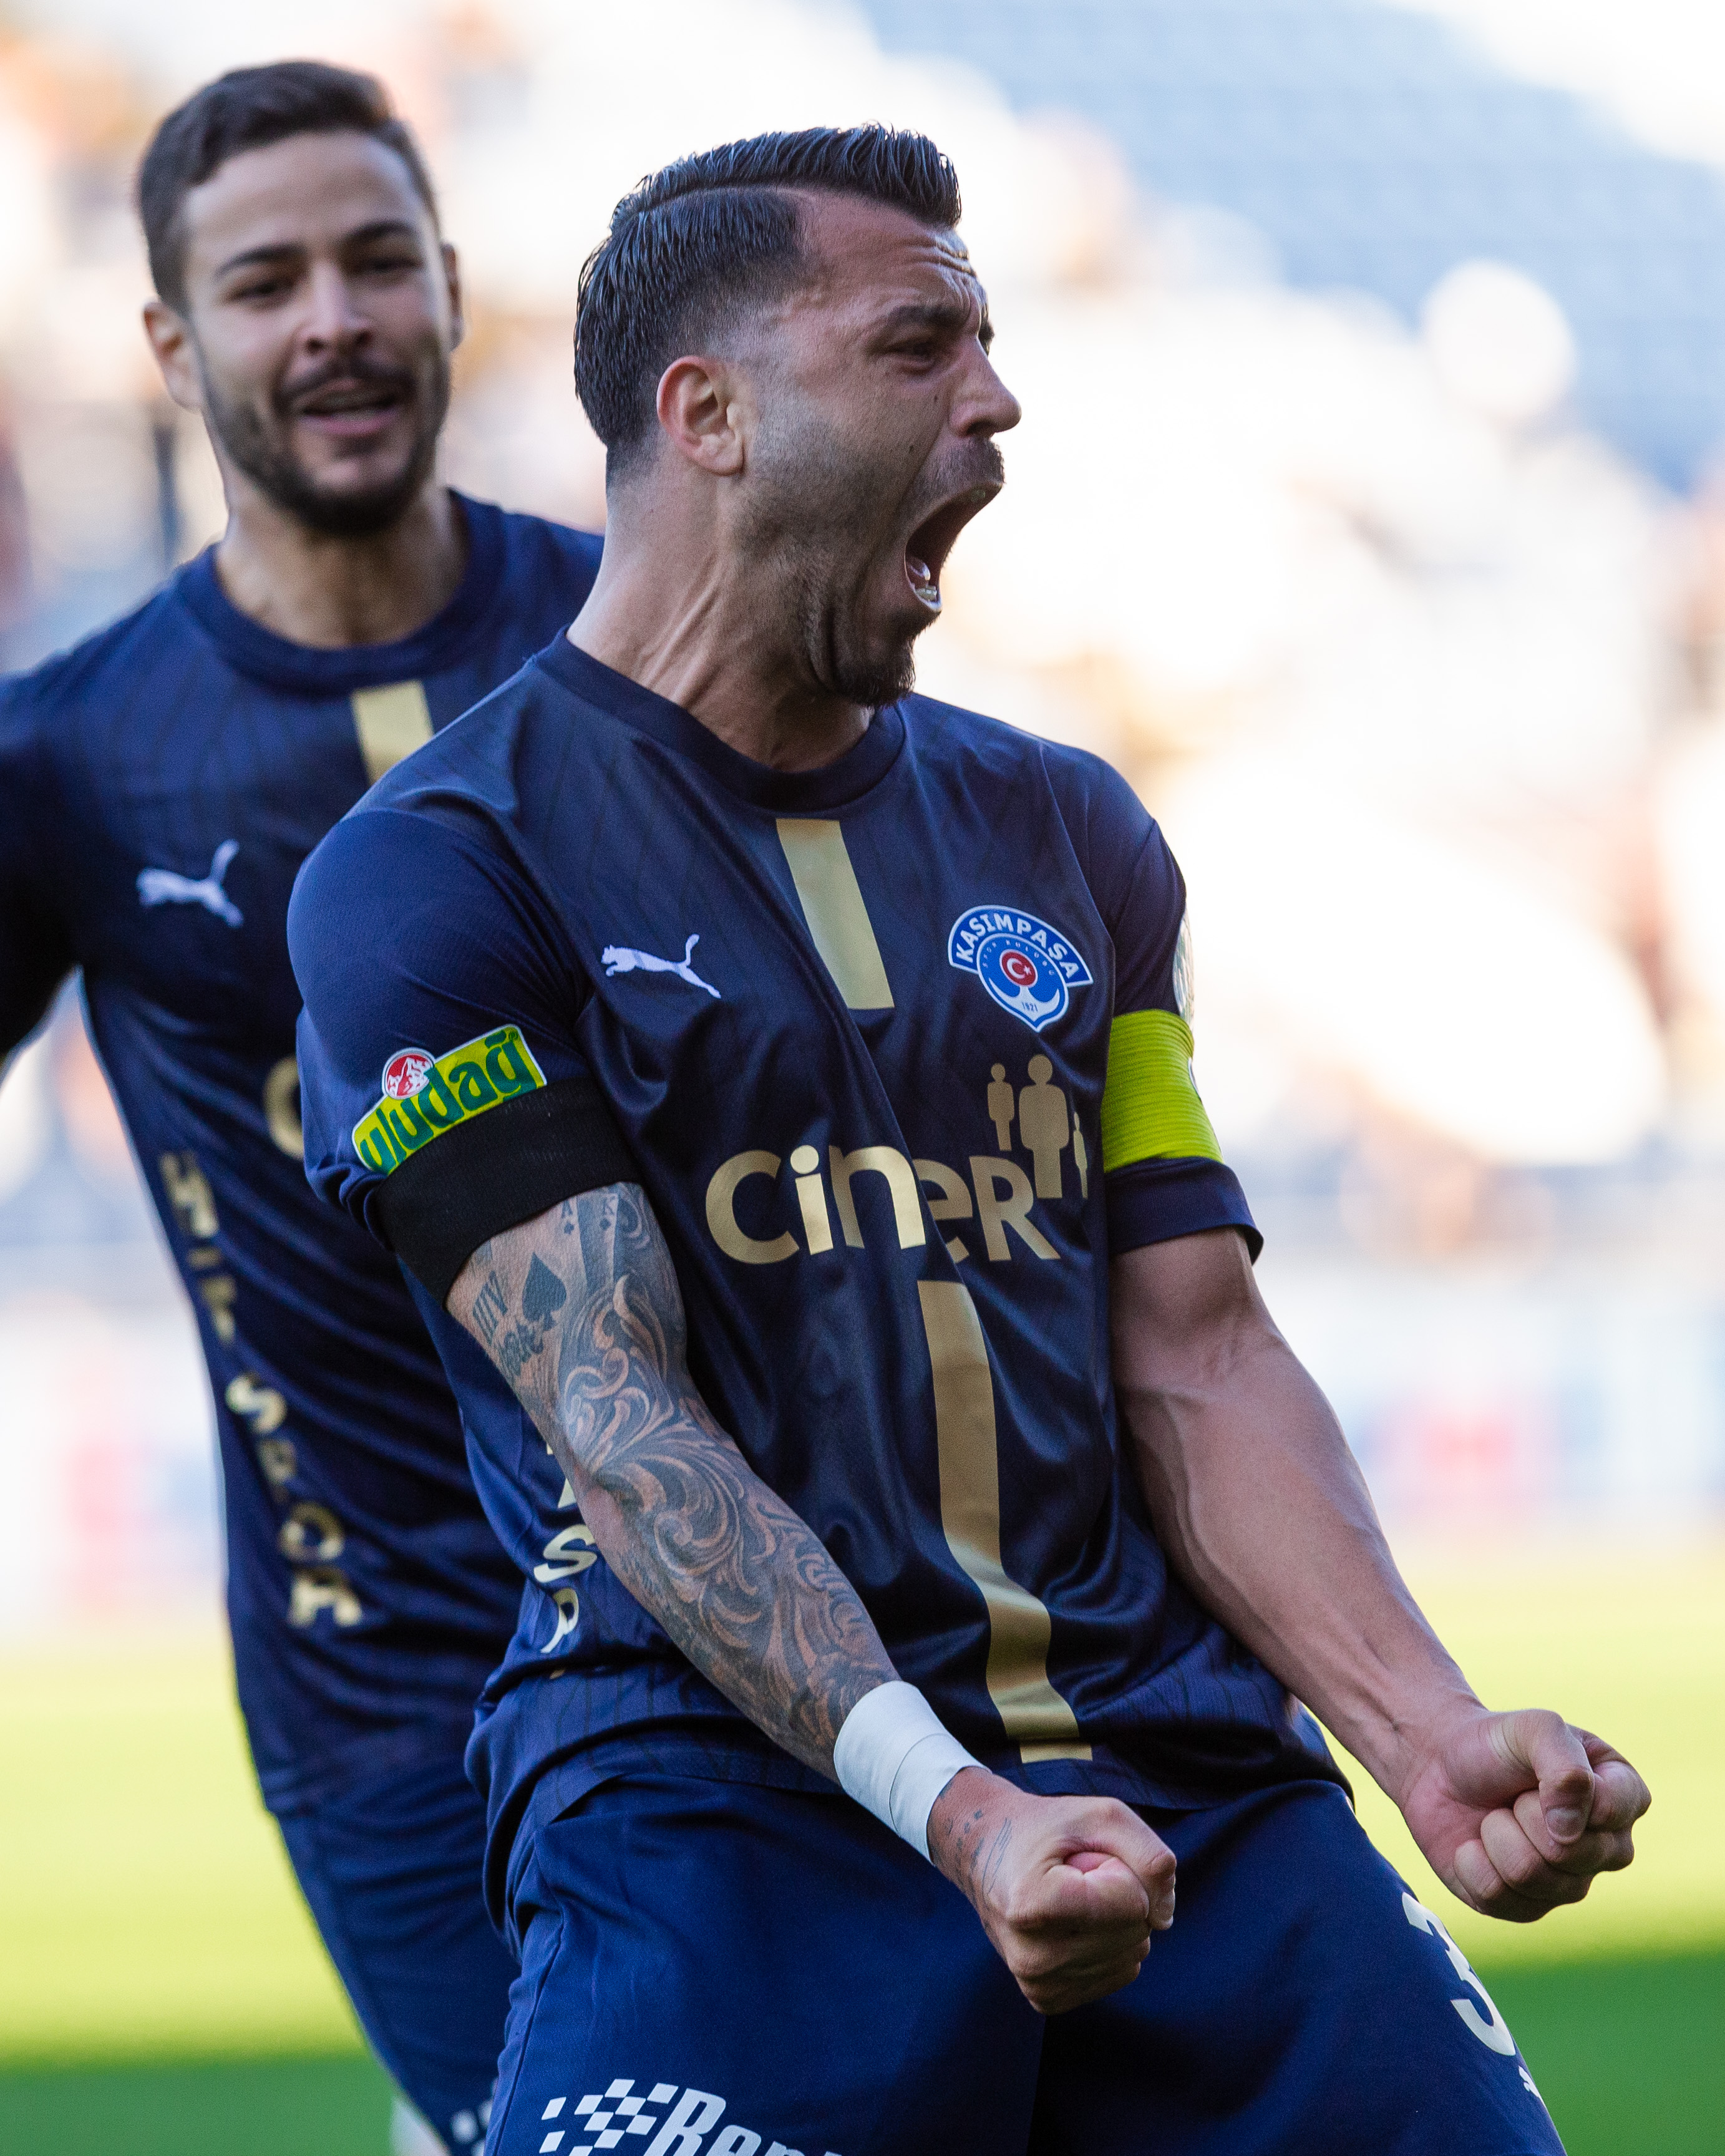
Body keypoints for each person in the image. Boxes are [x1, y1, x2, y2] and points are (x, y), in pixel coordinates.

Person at [289, 127, 1650, 2155]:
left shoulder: (1073, 833)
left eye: (993, 342)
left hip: (1190, 1788)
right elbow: (622, 1420)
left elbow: (1195, 1349)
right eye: (922, 344)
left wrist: (1428, 1731)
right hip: (720, 1810)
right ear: (710, 413)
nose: (999, 399)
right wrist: (962, 1809)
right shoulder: (431, 877)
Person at [0, 64, 605, 2154]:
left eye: (375, 262)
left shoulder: (644, 646)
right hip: (384, 1689)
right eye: (264, 283)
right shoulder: (74, 761)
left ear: (454, 287)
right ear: (173, 349)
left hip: (747, 1611)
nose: (332, 319)